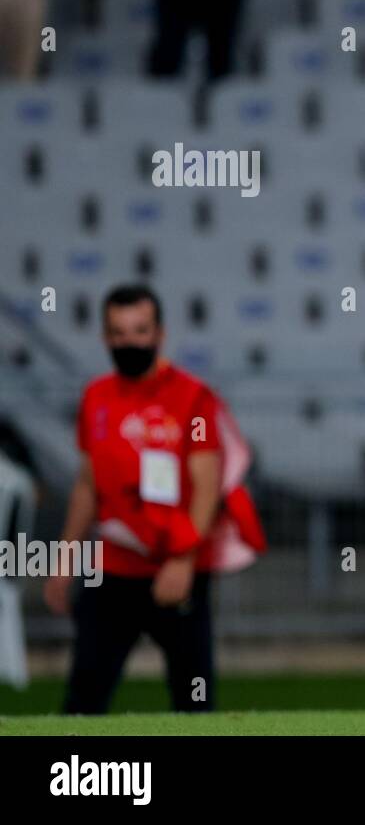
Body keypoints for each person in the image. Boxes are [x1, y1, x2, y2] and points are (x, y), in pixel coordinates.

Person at [44, 284, 264, 714]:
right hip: (113, 568)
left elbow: (208, 484)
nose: (129, 342)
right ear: (105, 338)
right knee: (83, 701)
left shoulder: (193, 400)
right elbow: (88, 484)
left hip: (176, 569)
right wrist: (65, 558)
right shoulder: (96, 398)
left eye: (139, 330)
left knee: (194, 700)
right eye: (118, 332)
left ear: (160, 334)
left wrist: (182, 562)